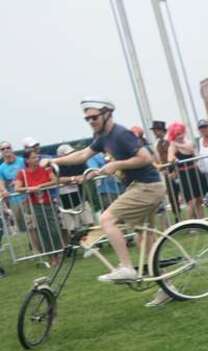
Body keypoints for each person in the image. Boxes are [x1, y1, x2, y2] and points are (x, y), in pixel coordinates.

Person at [45, 97, 169, 305]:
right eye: (87, 119)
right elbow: (82, 155)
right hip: (140, 187)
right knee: (144, 240)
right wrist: (53, 160)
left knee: (107, 219)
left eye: (94, 117)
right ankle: (167, 287)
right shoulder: (102, 137)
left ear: (107, 114)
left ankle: (126, 268)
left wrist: (117, 164)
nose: (91, 121)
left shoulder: (120, 134)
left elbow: (146, 158)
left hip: (147, 187)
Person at [15, 148, 61, 265]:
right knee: (43, 230)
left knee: (54, 229)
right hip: (34, 204)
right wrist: (29, 189)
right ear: (27, 160)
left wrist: (40, 186)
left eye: (37, 157)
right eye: (33, 157)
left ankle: (57, 252)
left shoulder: (46, 168)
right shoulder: (22, 173)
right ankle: (52, 257)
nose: (37, 159)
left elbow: (54, 181)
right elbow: (17, 188)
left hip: (48, 202)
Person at [167, 121, 205, 220]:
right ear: (173, 135)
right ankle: (191, 225)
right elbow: (170, 158)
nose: (180, 136)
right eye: (177, 134)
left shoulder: (188, 142)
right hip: (184, 174)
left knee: (199, 200)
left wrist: (179, 146)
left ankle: (203, 222)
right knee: (191, 202)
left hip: (195, 172)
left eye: (181, 133)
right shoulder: (172, 146)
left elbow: (194, 152)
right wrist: (175, 159)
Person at [54, 144, 95, 234]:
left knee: (89, 221)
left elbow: (91, 172)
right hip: (64, 201)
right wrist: (72, 178)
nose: (71, 155)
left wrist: (84, 178)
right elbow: (54, 179)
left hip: (81, 197)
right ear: (60, 156)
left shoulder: (78, 162)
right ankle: (76, 244)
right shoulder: (55, 166)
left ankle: (96, 243)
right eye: (67, 154)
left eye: (71, 153)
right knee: (71, 228)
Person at [0, 141, 28, 233]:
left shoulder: (22, 161)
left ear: (12, 149)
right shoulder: (1, 168)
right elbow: (1, 183)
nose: (6, 150)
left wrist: (19, 181)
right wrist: (4, 191)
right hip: (14, 200)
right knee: (23, 227)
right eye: (3, 149)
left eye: (8, 147)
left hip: (28, 197)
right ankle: (33, 245)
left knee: (32, 223)